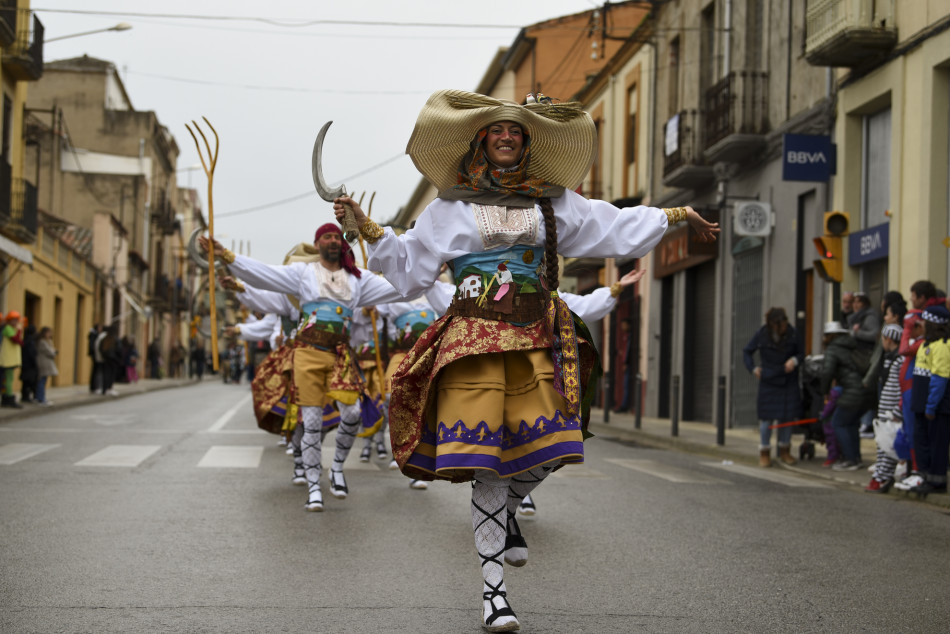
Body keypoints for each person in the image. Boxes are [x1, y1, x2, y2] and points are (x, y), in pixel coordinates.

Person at [332, 89, 719, 632]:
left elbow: (611, 224)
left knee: (554, 446)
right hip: (474, 341)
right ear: (481, 141)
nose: (508, 136)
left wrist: (676, 215)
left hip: (537, 336)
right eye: (497, 130)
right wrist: (366, 227)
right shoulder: (450, 206)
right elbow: (411, 266)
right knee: (487, 465)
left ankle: (510, 510)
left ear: (527, 142)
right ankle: (494, 595)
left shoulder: (552, 201)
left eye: (517, 130)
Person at [200, 222, 407, 512]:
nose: (333, 240)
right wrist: (228, 257)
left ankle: (336, 468)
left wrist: (432, 265)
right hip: (307, 354)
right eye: (327, 237)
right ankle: (313, 486)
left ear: (342, 244)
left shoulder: (359, 279)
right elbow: (266, 275)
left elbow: (403, 288)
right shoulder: (303, 274)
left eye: (336, 236)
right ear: (318, 244)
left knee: (353, 413)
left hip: (340, 356)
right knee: (310, 422)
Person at [896, 305, 950, 495]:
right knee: (922, 443)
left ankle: (937, 482)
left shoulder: (942, 346)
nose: (922, 326)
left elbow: (939, 379)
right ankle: (925, 476)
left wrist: (931, 406)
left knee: (937, 445)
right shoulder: (925, 345)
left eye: (924, 323)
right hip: (920, 405)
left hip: (935, 407)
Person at [743, 307, 804, 467]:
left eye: (785, 323)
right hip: (769, 380)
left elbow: (802, 353)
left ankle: (785, 451)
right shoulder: (762, 334)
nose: (784, 327)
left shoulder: (793, 333)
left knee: (787, 418)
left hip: (788, 380)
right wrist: (754, 369)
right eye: (781, 324)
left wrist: (794, 361)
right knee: (766, 421)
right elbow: (747, 352)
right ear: (773, 324)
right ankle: (764, 453)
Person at [819, 321, 875, 470]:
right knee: (850, 424)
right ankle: (856, 458)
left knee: (839, 422)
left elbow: (827, 372)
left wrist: (824, 391)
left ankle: (850, 459)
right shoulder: (851, 345)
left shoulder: (833, 349)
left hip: (853, 391)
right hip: (867, 391)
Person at [866, 323, 904, 492]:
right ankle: (879, 475)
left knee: (888, 445)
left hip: (891, 411)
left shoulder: (898, 360)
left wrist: (897, 410)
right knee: (882, 444)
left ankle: (883, 477)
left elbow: (899, 388)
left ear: (889, 339)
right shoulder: (888, 359)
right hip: (884, 409)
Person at [0, 311, 24, 408]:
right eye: (14, 320)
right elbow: (15, 340)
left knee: (8, 379)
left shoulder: (10, 328)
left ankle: (6, 398)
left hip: (10, 359)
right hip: (7, 359)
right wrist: (19, 331)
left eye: (16, 320)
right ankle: (8, 398)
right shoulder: (8, 328)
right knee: (8, 379)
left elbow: (20, 342)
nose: (16, 322)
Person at [35, 327, 58, 406]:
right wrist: (54, 352)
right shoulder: (42, 342)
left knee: (43, 381)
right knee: (41, 381)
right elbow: (50, 352)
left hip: (46, 363)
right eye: (48, 333)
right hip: (43, 363)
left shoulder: (47, 341)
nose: (50, 334)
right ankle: (40, 398)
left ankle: (41, 398)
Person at [19, 324, 37, 403]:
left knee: (25, 381)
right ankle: (26, 397)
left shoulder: (25, 339)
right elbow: (31, 353)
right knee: (29, 381)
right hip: (29, 364)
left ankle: (25, 396)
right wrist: (34, 362)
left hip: (24, 363)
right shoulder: (31, 341)